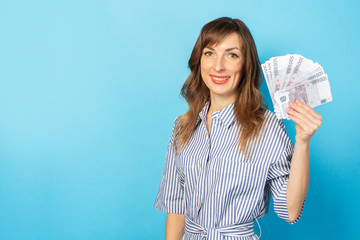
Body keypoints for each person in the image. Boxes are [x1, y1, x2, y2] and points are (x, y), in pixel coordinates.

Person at [154, 17, 322, 240]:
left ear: (245, 65)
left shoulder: (266, 126)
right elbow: (176, 208)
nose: (218, 66)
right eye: (209, 53)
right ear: (199, 60)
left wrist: (302, 142)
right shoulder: (183, 126)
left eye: (232, 55)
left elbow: (290, 211)